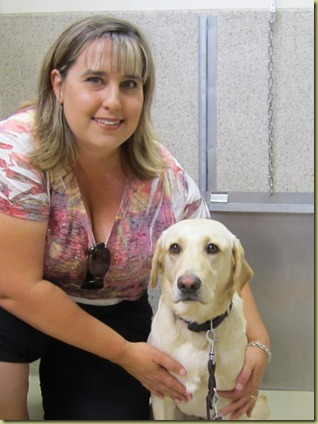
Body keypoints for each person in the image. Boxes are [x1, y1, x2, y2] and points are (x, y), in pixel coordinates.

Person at [0, 15, 270, 420]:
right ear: (58, 84)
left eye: (130, 84)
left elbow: (220, 255)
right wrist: (126, 355)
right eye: (95, 79)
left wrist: (259, 341)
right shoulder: (17, 151)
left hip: (113, 311)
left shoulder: (164, 174)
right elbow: (16, 288)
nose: (114, 100)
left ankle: (72, 378)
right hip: (20, 312)